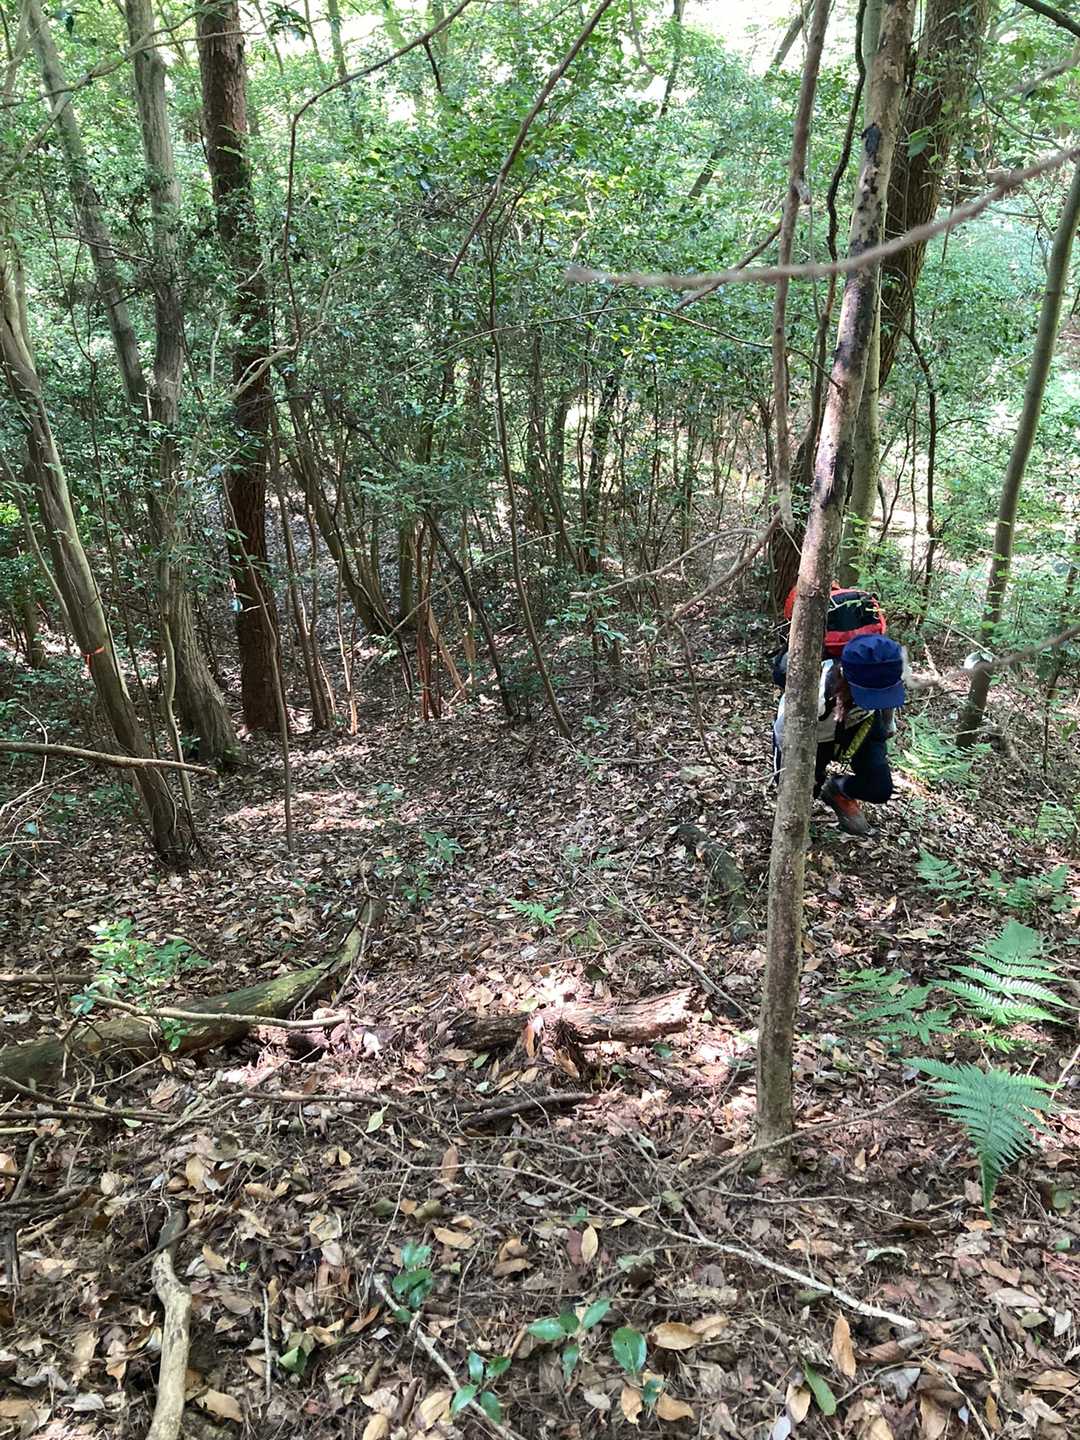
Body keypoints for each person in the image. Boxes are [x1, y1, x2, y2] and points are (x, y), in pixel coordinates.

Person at [771, 633, 908, 837]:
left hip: (862, 724)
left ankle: (837, 790)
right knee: (803, 790)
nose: (875, 700)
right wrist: (793, 768)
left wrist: (888, 723)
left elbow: (887, 698)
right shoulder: (814, 697)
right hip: (815, 736)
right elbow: (783, 732)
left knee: (879, 788)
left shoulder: (886, 670)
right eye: (870, 695)